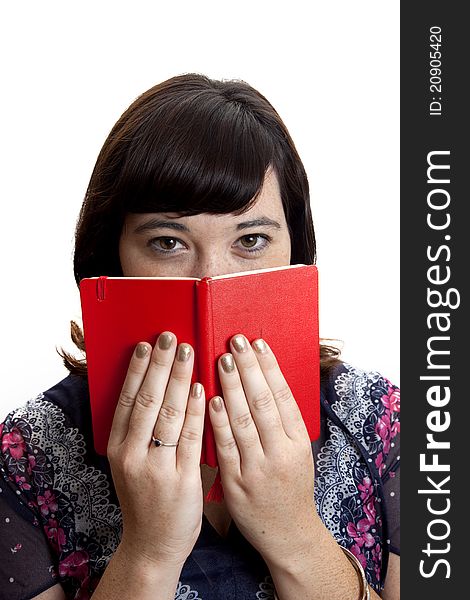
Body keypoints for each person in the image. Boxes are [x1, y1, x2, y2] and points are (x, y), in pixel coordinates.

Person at [0, 73, 400, 600]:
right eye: (167, 242)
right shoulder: (26, 454)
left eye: (251, 239)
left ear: (296, 254)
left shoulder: (380, 421)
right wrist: (148, 553)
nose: (212, 279)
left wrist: (298, 538)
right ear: (109, 258)